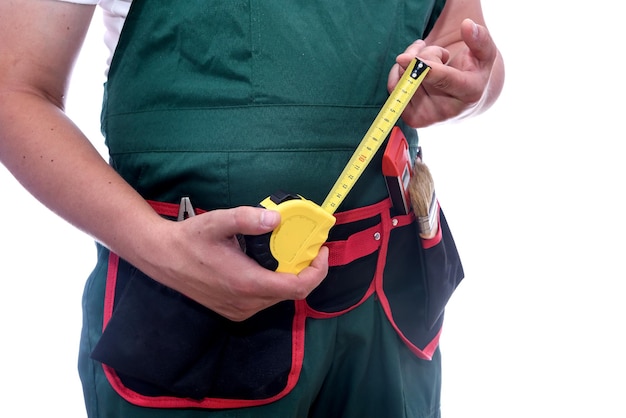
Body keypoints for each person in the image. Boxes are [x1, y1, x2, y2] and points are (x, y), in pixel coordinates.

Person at [0, 0, 504, 416]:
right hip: (188, 318)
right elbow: (14, 90)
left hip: (387, 304)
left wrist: (472, 86)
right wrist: (160, 249)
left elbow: (466, 41)